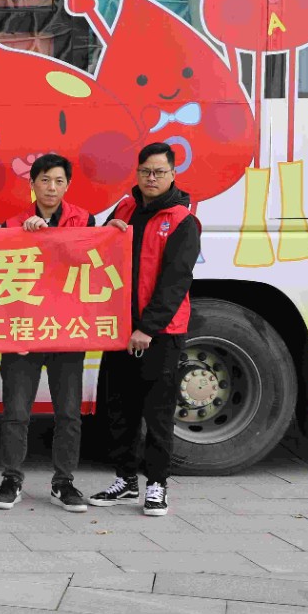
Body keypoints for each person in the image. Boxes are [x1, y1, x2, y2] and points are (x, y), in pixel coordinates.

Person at [89, 142, 200, 517]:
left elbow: (176, 282)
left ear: (173, 174)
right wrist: (107, 232)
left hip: (160, 334)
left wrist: (148, 328)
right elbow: (97, 251)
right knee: (119, 409)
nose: (151, 178)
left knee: (157, 411)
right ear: (136, 173)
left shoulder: (182, 221)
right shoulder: (124, 208)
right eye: (145, 172)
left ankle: (157, 485)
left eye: (159, 172)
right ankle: (125, 480)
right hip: (119, 329)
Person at [0, 153, 92, 512]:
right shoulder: (12, 223)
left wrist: (54, 237)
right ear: (32, 183)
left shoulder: (85, 220)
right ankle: (11, 479)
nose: (52, 187)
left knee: (68, 413)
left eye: (59, 181)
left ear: (68, 185)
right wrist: (24, 237)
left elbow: (92, 262)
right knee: (16, 412)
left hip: (67, 330)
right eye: (45, 180)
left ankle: (63, 482)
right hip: (24, 331)